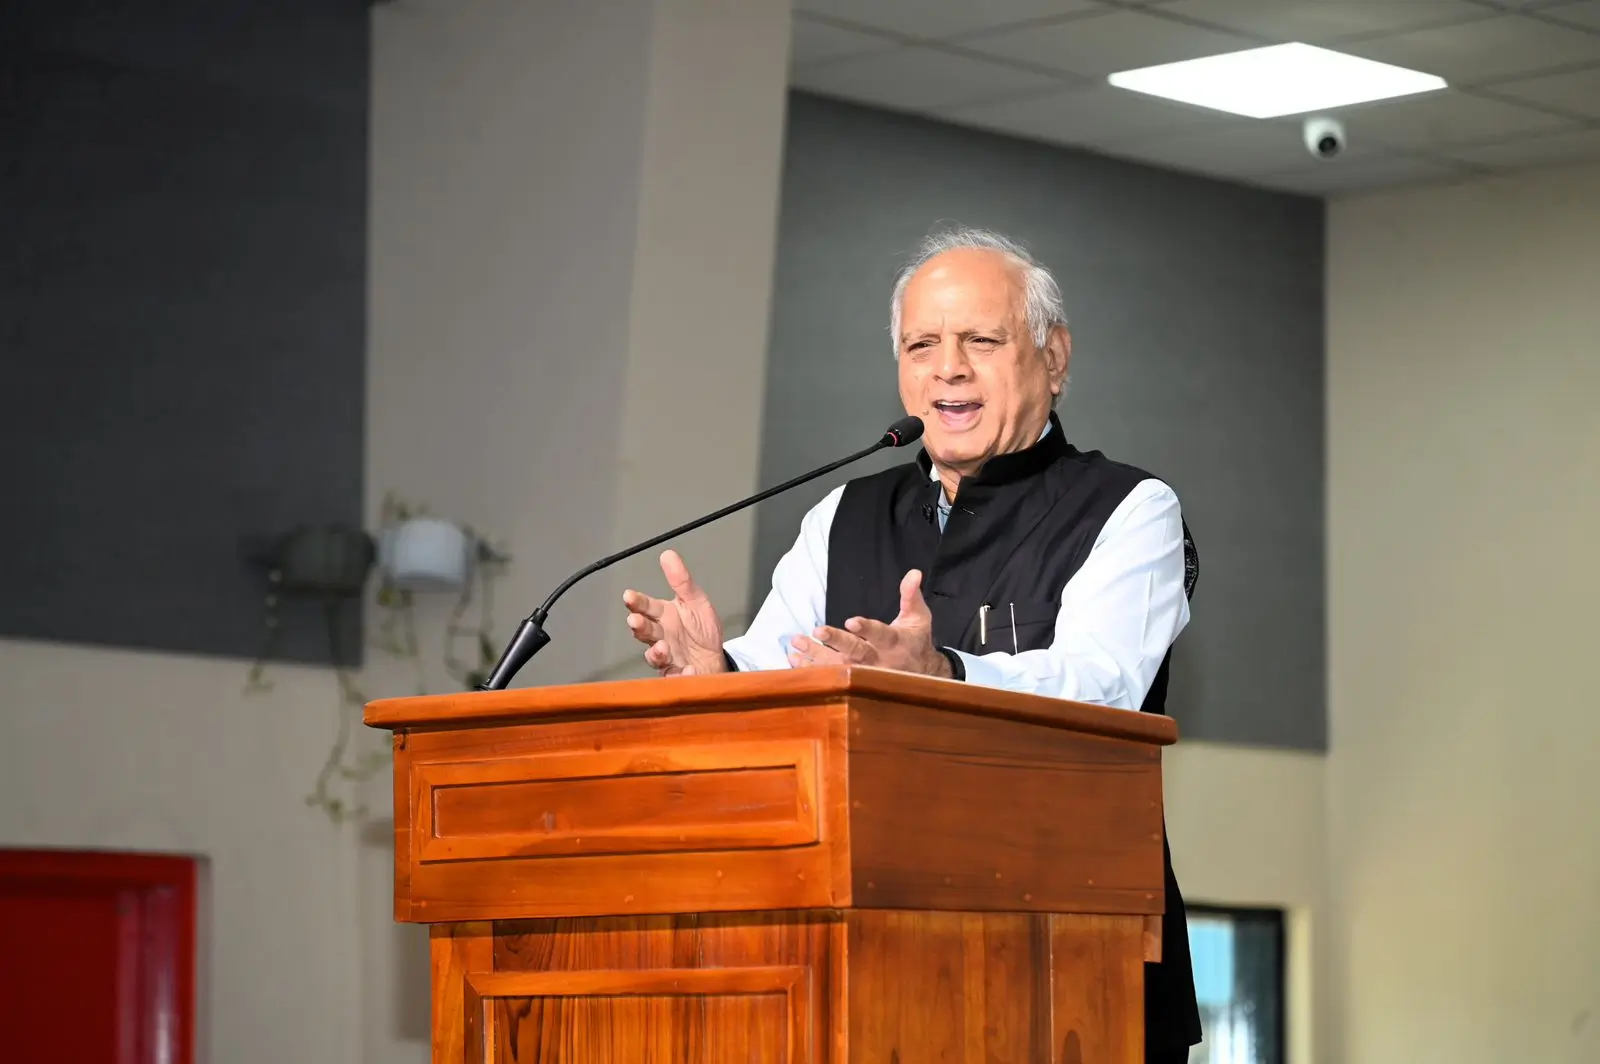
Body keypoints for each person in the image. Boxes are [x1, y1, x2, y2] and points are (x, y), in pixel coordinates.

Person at [621, 226, 1202, 1061]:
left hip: (1073, 959)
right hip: (849, 962)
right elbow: (782, 664)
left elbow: (1102, 687)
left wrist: (944, 673)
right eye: (921, 344)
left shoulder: (1128, 508)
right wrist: (718, 671)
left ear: (1055, 357)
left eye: (981, 341)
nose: (948, 368)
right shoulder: (844, 515)